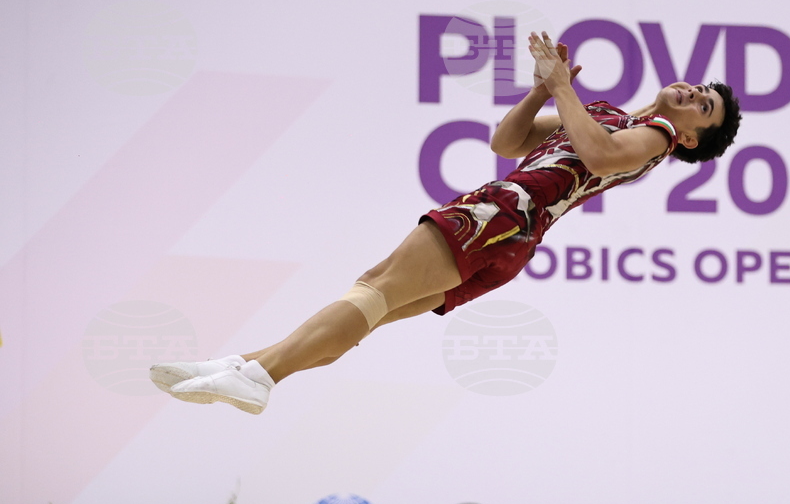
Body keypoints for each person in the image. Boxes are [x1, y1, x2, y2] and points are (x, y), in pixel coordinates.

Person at [150, 32, 742, 414]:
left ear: (690, 135)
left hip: (504, 214)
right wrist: (541, 91)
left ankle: (256, 374)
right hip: (512, 233)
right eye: (700, 89)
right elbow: (507, 140)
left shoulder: (657, 137)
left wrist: (562, 87)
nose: (692, 93)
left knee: (376, 287)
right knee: (373, 303)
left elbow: (599, 157)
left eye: (703, 106)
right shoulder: (605, 115)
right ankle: (249, 367)